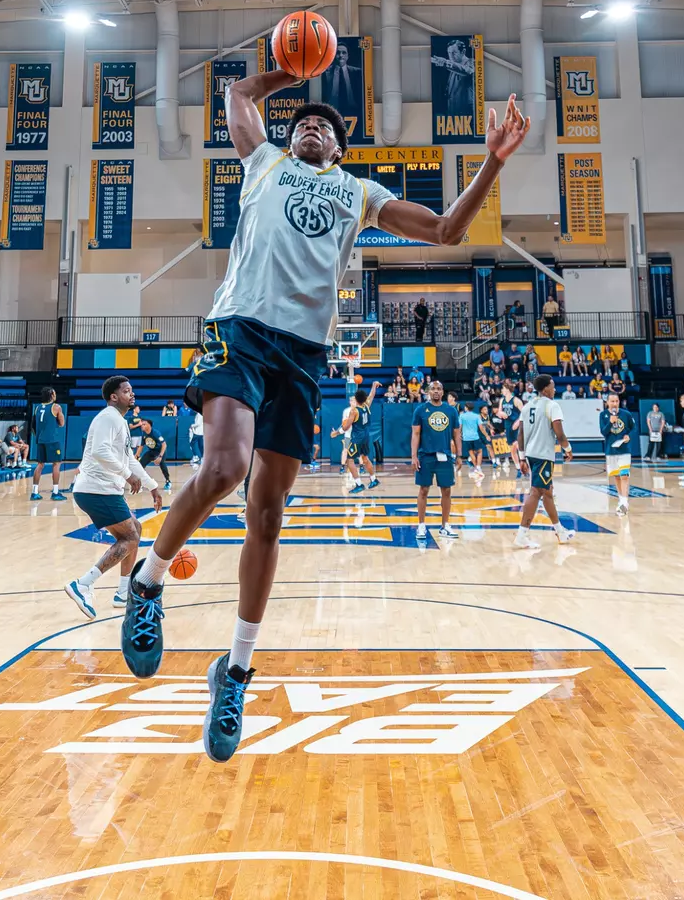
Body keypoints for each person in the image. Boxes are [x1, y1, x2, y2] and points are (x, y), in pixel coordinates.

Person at [118, 63, 530, 763]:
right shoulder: (262, 163)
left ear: (340, 149)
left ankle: (236, 672)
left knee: (269, 512)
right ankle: (147, 580)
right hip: (240, 330)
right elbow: (237, 95)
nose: (313, 125)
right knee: (223, 469)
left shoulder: (359, 192)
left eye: (327, 127)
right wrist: (289, 67)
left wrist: (489, 164)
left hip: (304, 353)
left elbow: (445, 229)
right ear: (288, 138)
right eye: (303, 122)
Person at [66, 376, 162, 617]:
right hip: (96, 489)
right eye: (127, 391)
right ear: (113, 397)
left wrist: (152, 485)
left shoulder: (118, 421)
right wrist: (127, 475)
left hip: (102, 490)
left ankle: (122, 593)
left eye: (132, 390)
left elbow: (129, 458)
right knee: (130, 536)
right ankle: (83, 584)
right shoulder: (108, 417)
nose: (132, 394)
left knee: (135, 529)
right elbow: (100, 451)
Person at [514, 375, 575, 549]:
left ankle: (560, 532)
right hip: (543, 455)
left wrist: (523, 457)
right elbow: (560, 433)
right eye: (553, 386)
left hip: (532, 455)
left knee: (547, 492)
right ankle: (522, 534)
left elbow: (521, 434)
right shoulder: (552, 406)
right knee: (536, 492)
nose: (555, 389)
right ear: (546, 388)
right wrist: (568, 449)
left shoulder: (527, 406)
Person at [412, 380, 460, 541]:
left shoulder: (451, 411)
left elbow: (456, 434)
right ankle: (421, 525)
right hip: (425, 456)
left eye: (439, 389)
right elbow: (416, 434)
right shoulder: (420, 410)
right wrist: (413, 456)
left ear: (443, 391)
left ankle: (445, 525)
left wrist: (459, 455)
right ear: (428, 392)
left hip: (445, 456)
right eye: (433, 389)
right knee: (423, 490)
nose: (436, 391)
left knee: (447, 490)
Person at [341, 382, 382, 494]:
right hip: (366, 437)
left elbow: (346, 427)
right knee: (365, 458)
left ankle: (359, 484)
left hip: (357, 438)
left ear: (357, 399)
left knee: (349, 461)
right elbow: (372, 395)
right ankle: (374, 479)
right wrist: (373, 386)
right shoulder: (367, 405)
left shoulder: (354, 411)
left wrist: (339, 429)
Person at [600, 393, 635, 516]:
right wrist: (610, 422)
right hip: (611, 451)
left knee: (624, 475)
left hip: (624, 450)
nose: (615, 403)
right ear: (608, 402)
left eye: (616, 401)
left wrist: (627, 436)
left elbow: (632, 427)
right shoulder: (603, 415)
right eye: (612, 401)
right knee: (617, 476)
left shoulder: (626, 414)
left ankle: (625, 502)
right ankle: (621, 498)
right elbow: (603, 432)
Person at [30, 388, 67, 501]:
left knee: (40, 465)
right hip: (52, 440)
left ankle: (34, 492)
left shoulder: (37, 408)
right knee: (56, 464)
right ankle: (55, 492)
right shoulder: (56, 407)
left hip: (40, 440)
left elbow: (33, 426)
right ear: (51, 395)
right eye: (54, 393)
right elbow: (61, 424)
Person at [497, 381, 524, 473]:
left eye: (503, 388)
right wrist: (501, 413)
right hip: (508, 426)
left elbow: (524, 413)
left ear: (508, 390)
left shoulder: (516, 400)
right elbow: (499, 412)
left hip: (516, 426)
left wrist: (517, 422)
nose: (502, 390)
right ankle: (518, 469)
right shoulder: (502, 400)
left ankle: (525, 465)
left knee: (517, 446)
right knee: (512, 449)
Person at [138, 419, 172, 491]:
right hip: (151, 452)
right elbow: (141, 446)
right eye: (142, 424)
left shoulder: (156, 433)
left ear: (149, 425)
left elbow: (164, 444)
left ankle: (168, 481)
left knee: (162, 464)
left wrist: (160, 456)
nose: (142, 425)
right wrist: (136, 455)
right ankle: (139, 482)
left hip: (159, 452)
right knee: (140, 465)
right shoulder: (144, 433)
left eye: (144, 424)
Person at [459, 401, 485, 481]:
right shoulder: (477, 416)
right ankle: (478, 467)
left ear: (466, 408)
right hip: (475, 437)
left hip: (466, 437)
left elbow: (460, 426)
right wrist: (486, 435)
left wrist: (459, 434)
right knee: (480, 451)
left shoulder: (462, 416)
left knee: (471, 453)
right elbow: (481, 427)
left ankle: (476, 469)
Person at [332, 394, 356, 473]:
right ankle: (342, 467)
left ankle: (362, 467)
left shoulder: (359, 410)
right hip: (348, 434)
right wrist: (337, 431)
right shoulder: (346, 411)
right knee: (345, 450)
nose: (354, 402)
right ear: (350, 402)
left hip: (357, 435)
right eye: (352, 401)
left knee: (360, 452)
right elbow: (344, 424)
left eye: (355, 401)